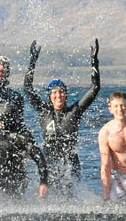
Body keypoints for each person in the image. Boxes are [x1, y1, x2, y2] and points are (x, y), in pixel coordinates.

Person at [23, 39, 101, 195]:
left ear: (65, 95)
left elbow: (95, 88)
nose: (58, 95)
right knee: (48, 197)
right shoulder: (43, 110)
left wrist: (94, 61)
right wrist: (33, 60)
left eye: (61, 92)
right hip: (49, 163)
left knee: (70, 197)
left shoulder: (75, 111)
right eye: (54, 92)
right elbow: (27, 88)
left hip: (70, 163)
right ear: (49, 96)